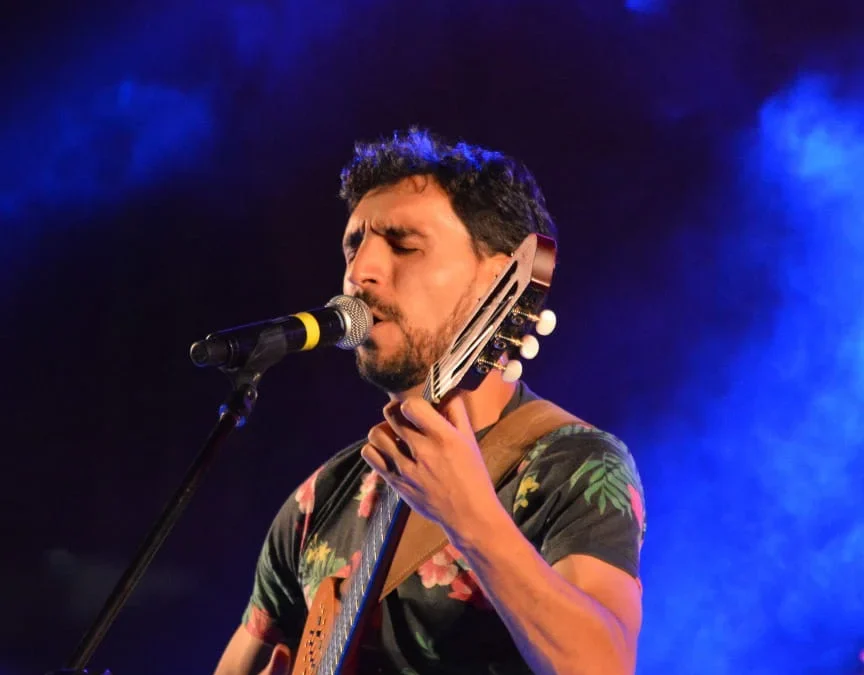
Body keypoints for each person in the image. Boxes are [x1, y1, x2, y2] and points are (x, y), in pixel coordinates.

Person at [213, 129, 646, 675]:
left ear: (496, 282)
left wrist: (470, 515)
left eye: (403, 245)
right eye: (353, 246)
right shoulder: (316, 502)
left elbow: (604, 665)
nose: (359, 272)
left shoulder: (575, 466)